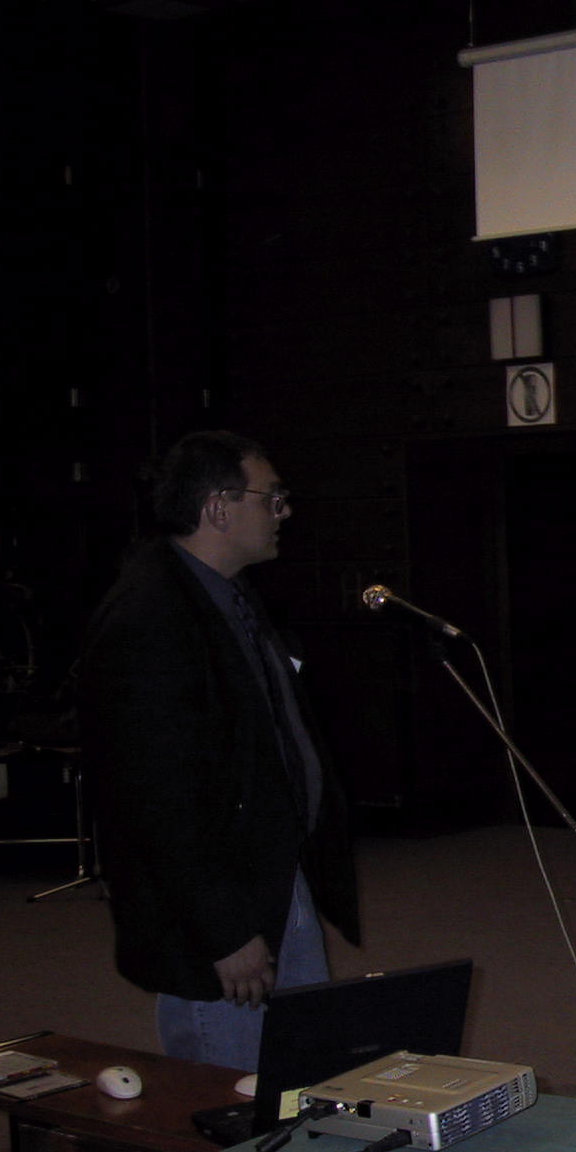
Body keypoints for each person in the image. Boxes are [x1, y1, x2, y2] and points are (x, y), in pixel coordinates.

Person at [76, 432, 359, 1071]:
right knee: (229, 1099)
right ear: (218, 507)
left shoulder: (228, 594)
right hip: (220, 906)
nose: (285, 511)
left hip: (273, 873)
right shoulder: (150, 617)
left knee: (303, 1073)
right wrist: (224, 931)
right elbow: (155, 799)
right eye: (273, 498)